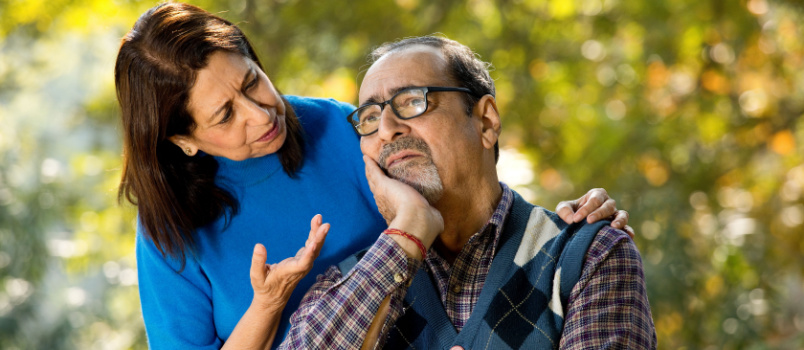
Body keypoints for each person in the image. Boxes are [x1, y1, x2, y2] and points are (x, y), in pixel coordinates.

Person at [115, 3, 633, 349]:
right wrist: (268, 306)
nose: (260, 114)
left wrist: (565, 240)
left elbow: (467, 198)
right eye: (225, 116)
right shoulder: (171, 229)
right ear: (182, 140)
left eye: (253, 82)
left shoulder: (344, 128)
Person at [280, 36, 656, 349]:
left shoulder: (589, 258)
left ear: (486, 121)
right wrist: (410, 228)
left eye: (412, 101)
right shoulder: (344, 286)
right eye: (370, 117)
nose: (387, 129)